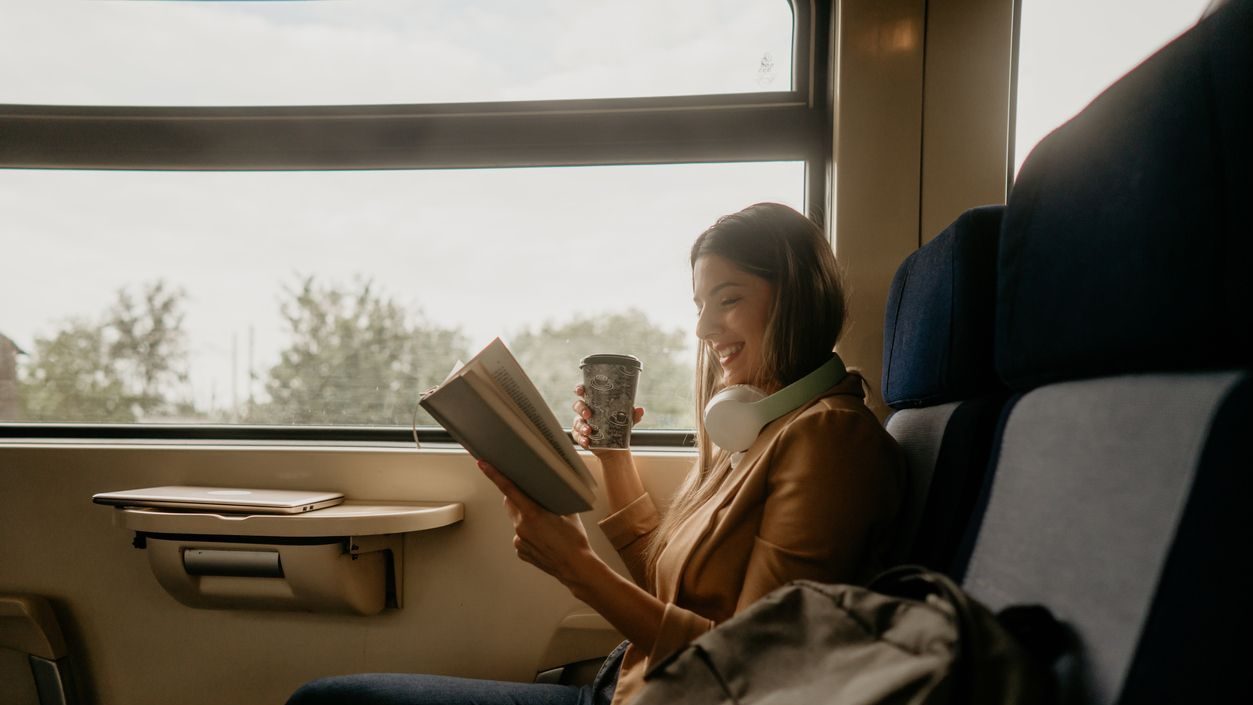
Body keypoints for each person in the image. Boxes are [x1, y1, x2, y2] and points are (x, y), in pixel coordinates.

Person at [287, 202, 906, 705]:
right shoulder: (762, 422)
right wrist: (615, 458)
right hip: (628, 685)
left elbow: (756, 667)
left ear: (794, 298)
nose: (703, 329)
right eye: (699, 305)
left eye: (728, 298)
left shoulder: (830, 441)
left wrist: (576, 569)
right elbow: (674, 592)